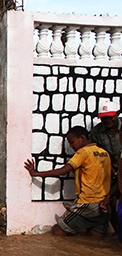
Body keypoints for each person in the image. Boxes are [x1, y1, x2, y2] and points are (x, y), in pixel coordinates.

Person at [24, 125, 111, 236]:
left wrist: (36, 173)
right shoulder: (104, 153)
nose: (71, 146)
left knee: (57, 231)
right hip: (103, 204)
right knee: (93, 239)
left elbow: (63, 171)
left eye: (72, 142)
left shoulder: (83, 152)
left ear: (82, 138)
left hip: (87, 203)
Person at [90, 101, 121, 230]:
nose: (108, 120)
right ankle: (117, 233)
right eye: (104, 118)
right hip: (109, 169)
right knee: (110, 201)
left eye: (111, 117)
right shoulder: (96, 132)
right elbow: (102, 155)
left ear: (117, 115)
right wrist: (115, 172)